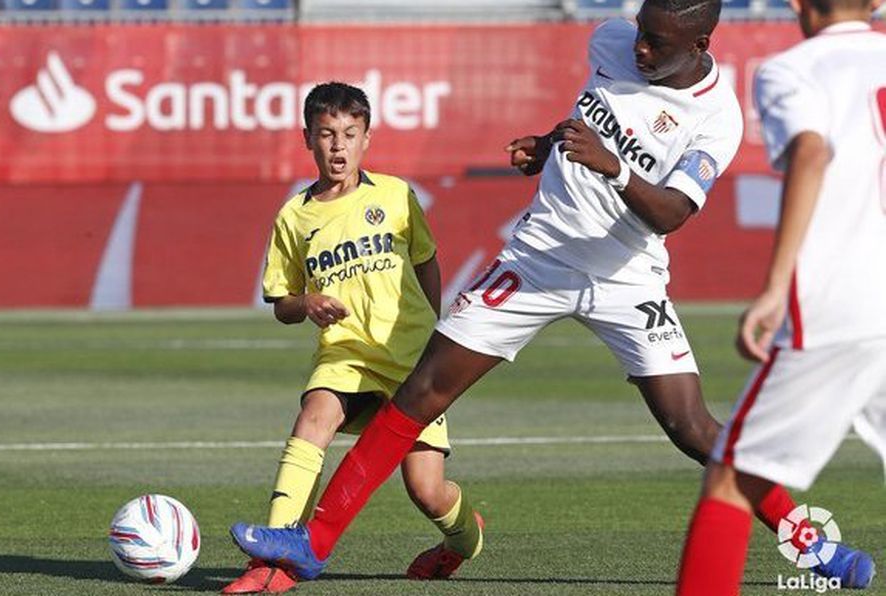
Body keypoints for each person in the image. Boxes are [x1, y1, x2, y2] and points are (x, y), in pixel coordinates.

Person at [228, 0, 870, 583]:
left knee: (691, 425)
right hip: (536, 259)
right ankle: (313, 542)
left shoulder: (716, 118)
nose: (639, 49)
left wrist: (610, 166)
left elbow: (672, 212)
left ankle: (813, 544)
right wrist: (551, 145)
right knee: (423, 389)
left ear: (700, 43)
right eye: (641, 33)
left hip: (626, 276)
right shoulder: (612, 41)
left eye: (657, 43)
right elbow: (594, 112)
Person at [222, 82, 484, 594]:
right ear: (307, 139)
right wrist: (307, 303)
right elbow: (281, 304)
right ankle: (273, 557)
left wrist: (431, 332)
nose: (338, 146)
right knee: (314, 416)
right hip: (344, 353)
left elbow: (426, 260)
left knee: (427, 491)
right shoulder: (294, 217)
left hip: (409, 360)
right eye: (326, 135)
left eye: (349, 134)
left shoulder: (395, 195)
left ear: (366, 138)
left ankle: (463, 541)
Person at [676, 0, 885, 592]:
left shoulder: (793, 69)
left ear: (796, 3)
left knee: (730, 481)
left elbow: (812, 152)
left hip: (843, 308)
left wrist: (772, 290)